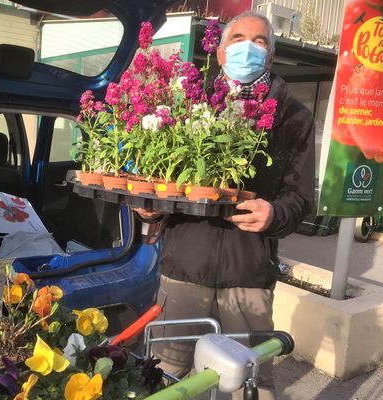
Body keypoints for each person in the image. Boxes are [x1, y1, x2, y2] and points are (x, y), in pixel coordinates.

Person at [135, 11, 315, 400]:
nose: (247, 47)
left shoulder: (293, 117)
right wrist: (150, 206)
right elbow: (162, 176)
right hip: (184, 269)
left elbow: (302, 199)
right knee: (165, 374)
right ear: (218, 54)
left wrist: (274, 214)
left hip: (248, 277)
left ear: (269, 56)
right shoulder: (187, 103)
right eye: (237, 38)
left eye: (259, 41)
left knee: (251, 381)